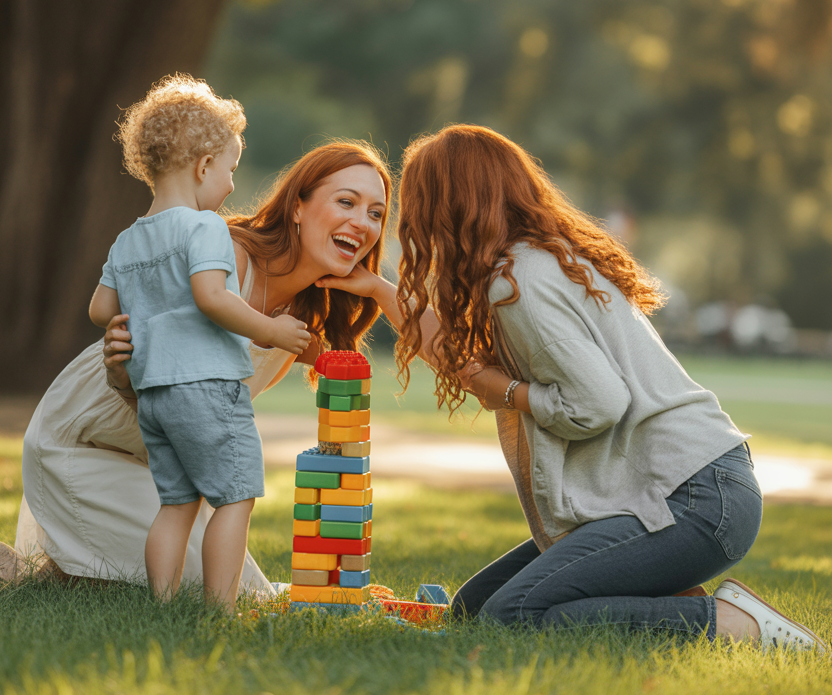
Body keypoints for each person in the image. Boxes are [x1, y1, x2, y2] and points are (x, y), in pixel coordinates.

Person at [386, 124, 824, 652]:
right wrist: (374, 288)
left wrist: (509, 393)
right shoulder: (540, 261)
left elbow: (598, 402)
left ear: (449, 206)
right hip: (691, 490)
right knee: (474, 610)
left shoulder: (517, 282)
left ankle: (731, 624)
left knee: (513, 614)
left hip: (692, 500)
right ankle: (671, 596)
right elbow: (464, 362)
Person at [4, 132, 391, 595]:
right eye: (346, 202)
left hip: (160, 458)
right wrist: (122, 376)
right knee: (215, 585)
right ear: (297, 207)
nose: (362, 223)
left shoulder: (298, 323)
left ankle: (74, 572)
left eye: (375, 213)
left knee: (244, 585)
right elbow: (147, 377)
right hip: (88, 444)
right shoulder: (224, 259)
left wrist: (380, 290)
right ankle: (33, 573)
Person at [88, 76, 312, 610]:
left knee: (176, 504)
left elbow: (99, 308)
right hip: (208, 388)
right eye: (231, 170)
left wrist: (127, 322)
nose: (232, 185)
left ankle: (163, 607)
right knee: (236, 497)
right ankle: (221, 609)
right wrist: (273, 330)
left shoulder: (128, 238)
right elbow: (212, 296)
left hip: (155, 396)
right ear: (203, 165)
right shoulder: (204, 228)